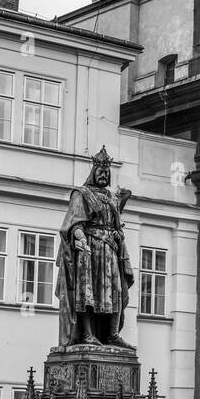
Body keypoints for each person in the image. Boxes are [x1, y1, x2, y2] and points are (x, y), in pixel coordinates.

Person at [56, 146, 134, 346]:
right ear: (93, 172)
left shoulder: (111, 198)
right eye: (100, 171)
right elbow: (74, 224)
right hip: (90, 250)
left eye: (106, 172)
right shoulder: (82, 194)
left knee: (115, 290)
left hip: (110, 250)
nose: (103, 175)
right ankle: (87, 335)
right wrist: (81, 239)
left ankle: (112, 334)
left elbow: (117, 225)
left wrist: (118, 234)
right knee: (88, 292)